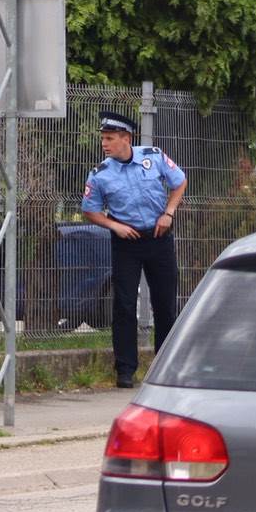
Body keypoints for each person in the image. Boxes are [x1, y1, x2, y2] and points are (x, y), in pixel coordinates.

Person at [80, 111, 185, 388]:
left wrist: (169, 213)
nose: (104, 144)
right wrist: (114, 227)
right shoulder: (100, 174)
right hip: (126, 242)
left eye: (110, 138)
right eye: (103, 138)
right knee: (124, 306)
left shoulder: (154, 157)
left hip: (159, 237)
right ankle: (125, 370)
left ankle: (166, 367)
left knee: (165, 304)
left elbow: (179, 182)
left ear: (126, 139)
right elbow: (89, 211)